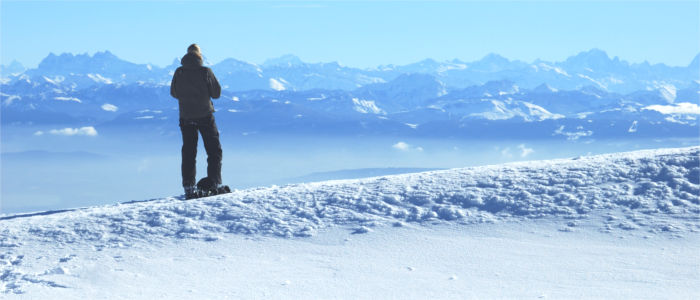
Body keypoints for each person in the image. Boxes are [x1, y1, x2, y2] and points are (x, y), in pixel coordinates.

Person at [170, 44, 223, 199]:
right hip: (205, 116)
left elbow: (174, 93)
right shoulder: (206, 71)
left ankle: (189, 185)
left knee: (189, 152)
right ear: (200, 56)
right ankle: (214, 183)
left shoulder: (179, 72)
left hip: (186, 117)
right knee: (214, 151)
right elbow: (217, 93)